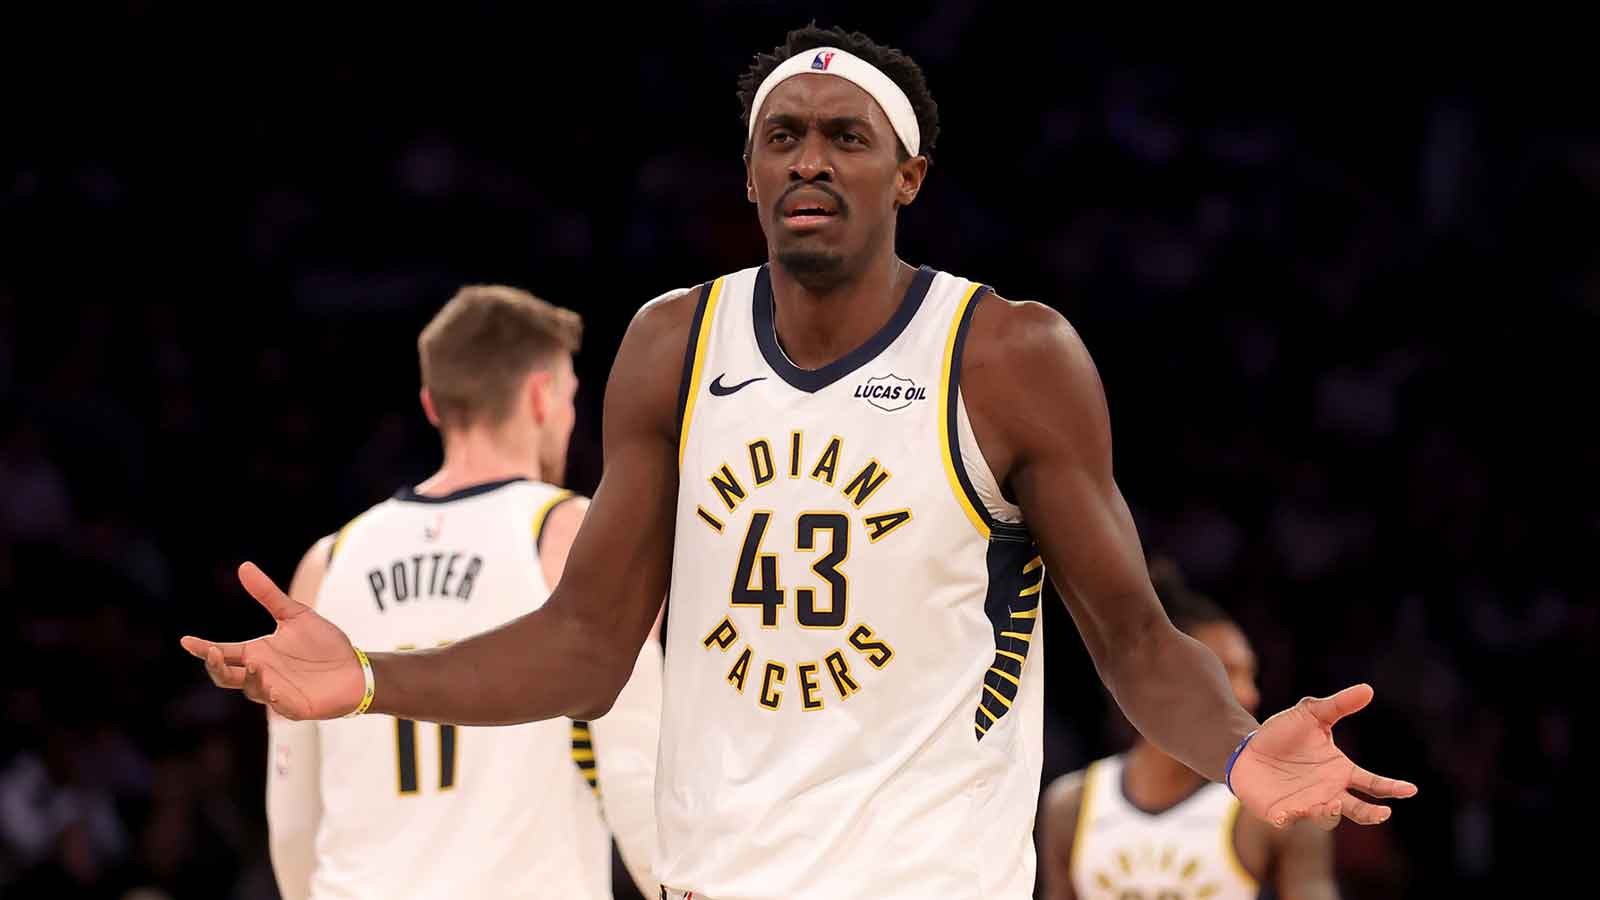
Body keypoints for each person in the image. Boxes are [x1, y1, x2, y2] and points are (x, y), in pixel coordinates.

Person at [181, 25, 1416, 900]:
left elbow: (1136, 642)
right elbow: (585, 645)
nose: (808, 159)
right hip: (720, 881)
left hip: (925, 881)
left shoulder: (1009, 354)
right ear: (751, 171)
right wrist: (369, 680)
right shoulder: (672, 342)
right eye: (782, 136)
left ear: (908, 174)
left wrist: (1243, 752)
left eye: (844, 135)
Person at [260, 285, 663, 900]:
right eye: (570, 399)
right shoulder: (569, 535)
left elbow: (292, 820)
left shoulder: (326, 562)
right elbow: (639, 768)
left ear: (431, 403)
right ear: (540, 396)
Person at [1041, 559, 1339, 900]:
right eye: (1227, 673)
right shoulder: (1072, 806)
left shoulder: (1278, 810)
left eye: (1250, 675)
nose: (1249, 695)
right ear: (1162, 679)